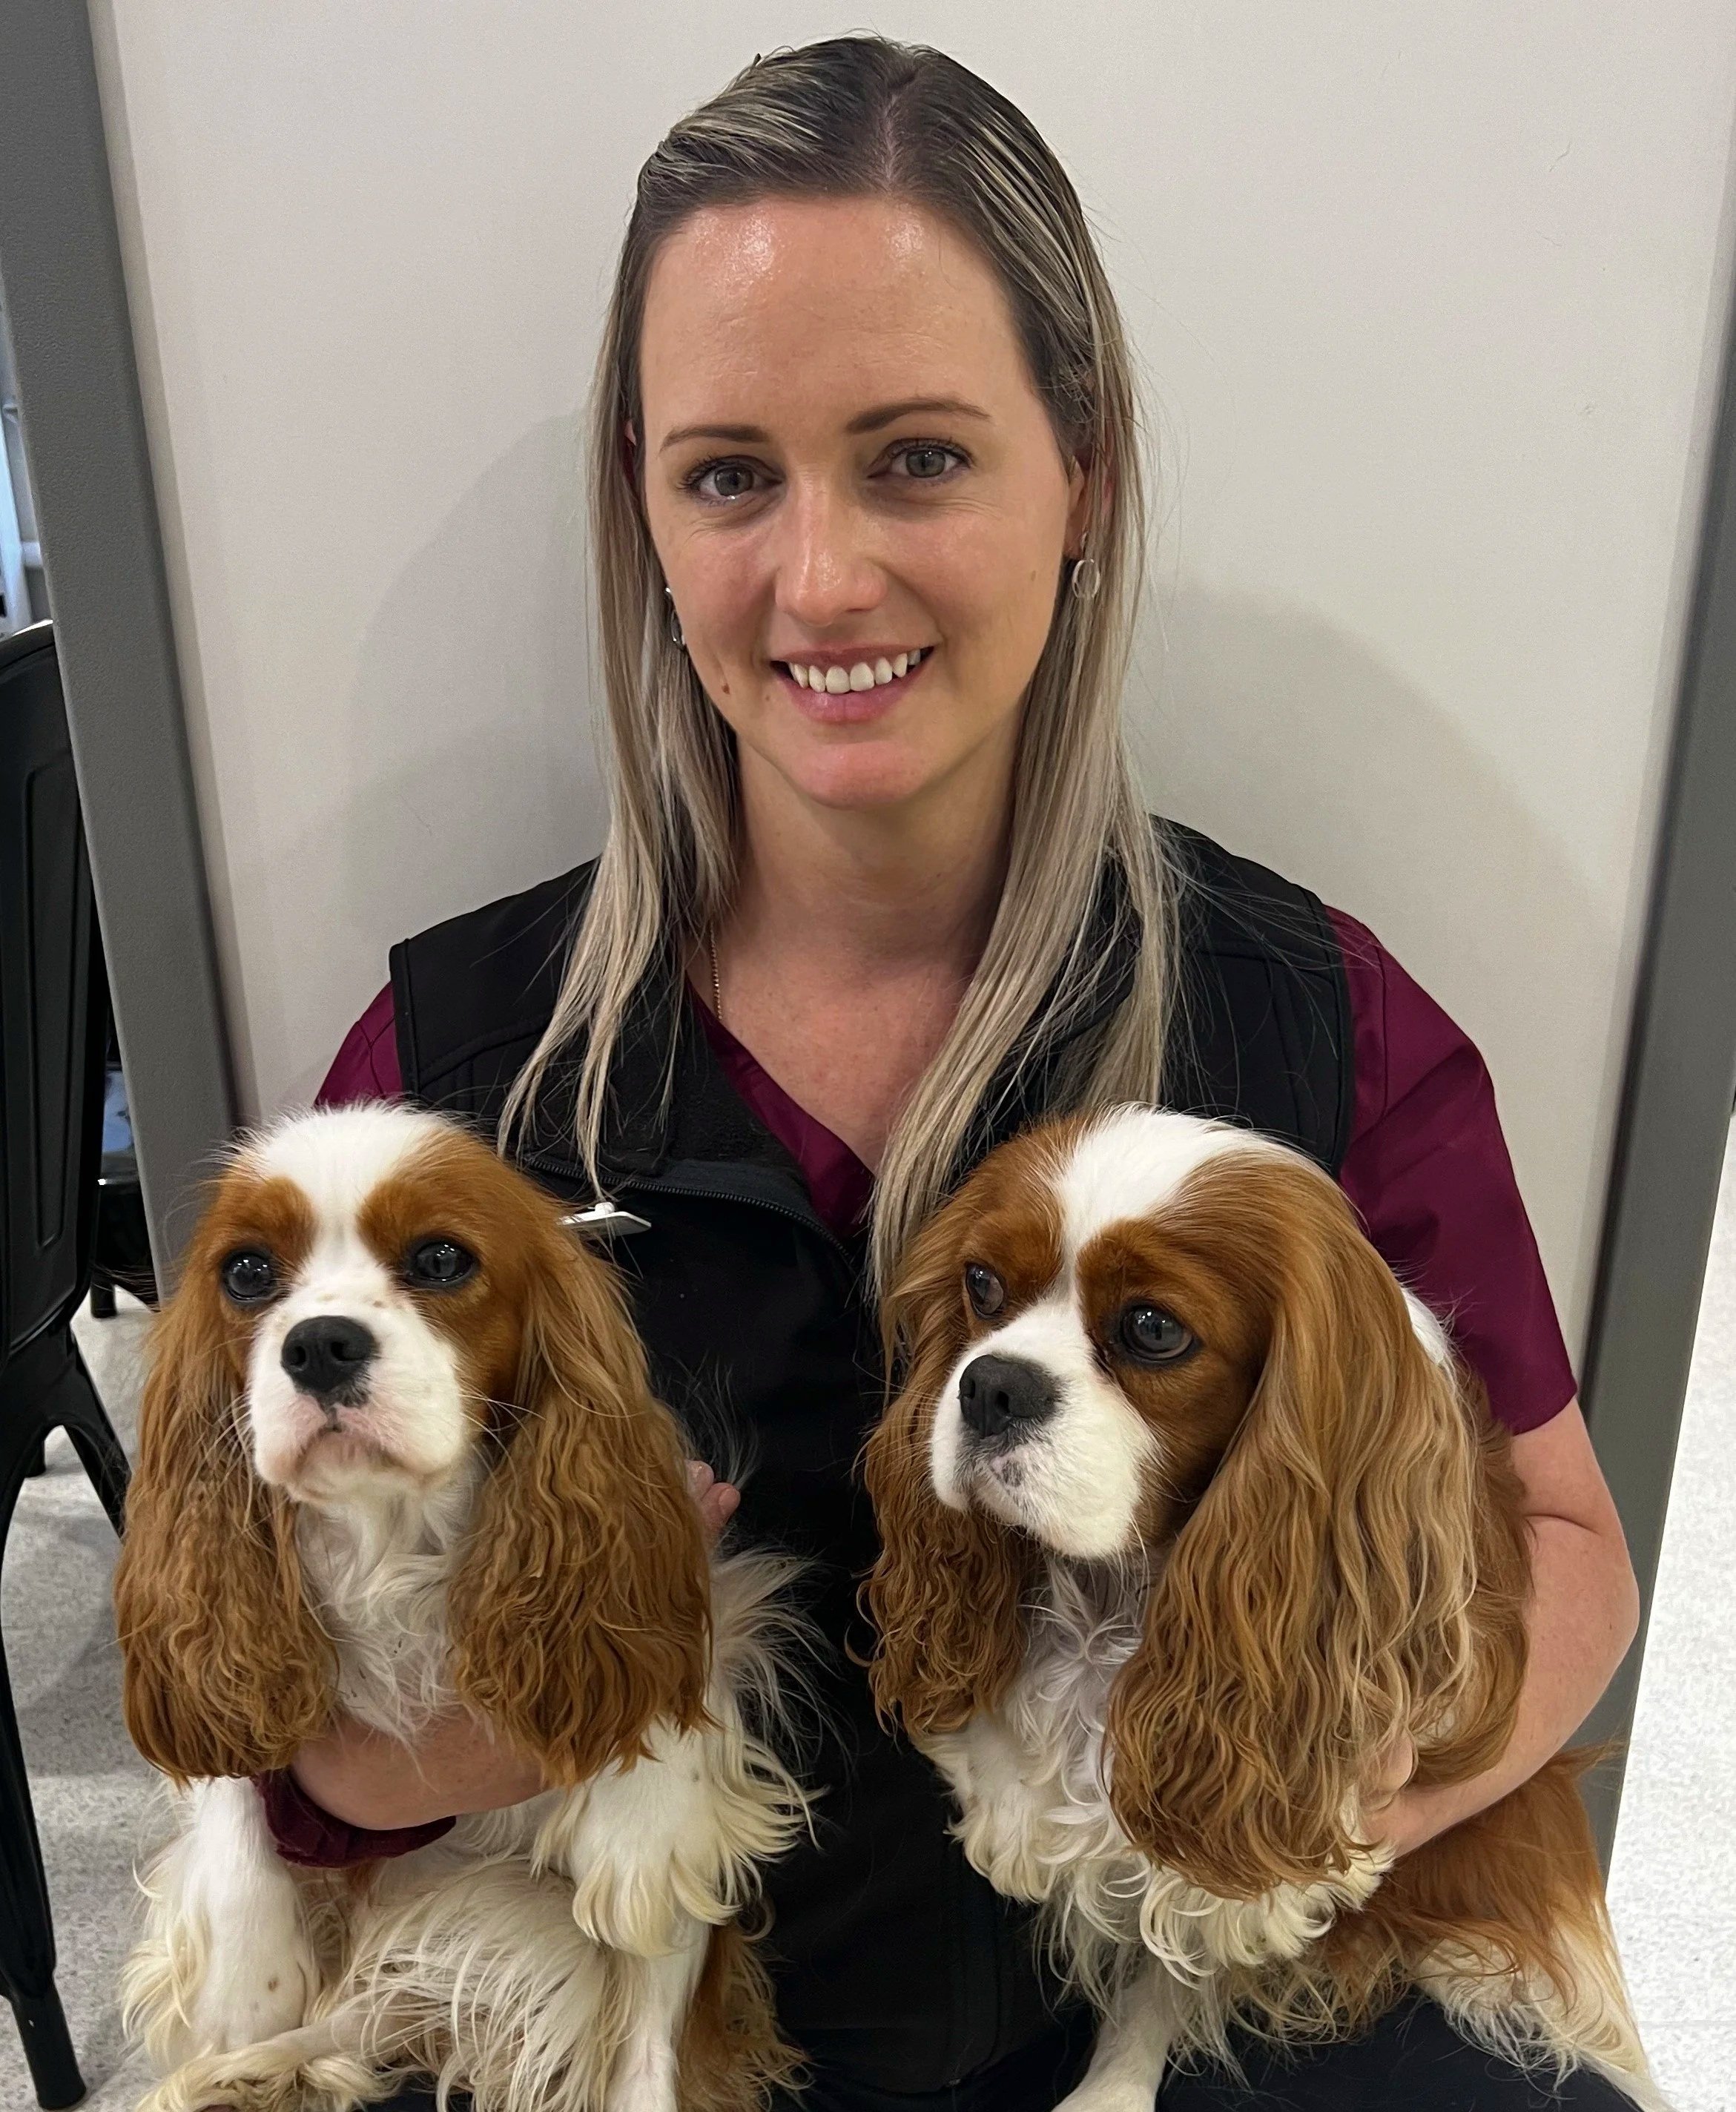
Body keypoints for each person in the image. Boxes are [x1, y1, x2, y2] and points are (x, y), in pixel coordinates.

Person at [267, 35, 1641, 2111]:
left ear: (1078, 472)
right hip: (627, 2009)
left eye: (915, 457)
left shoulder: (1316, 1019)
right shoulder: (452, 1075)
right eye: (729, 474)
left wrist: (1308, 1819)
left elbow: (1569, 1548)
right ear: (641, 508)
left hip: (1169, 2017)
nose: (820, 580)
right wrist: (450, 1744)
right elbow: (288, 1719)